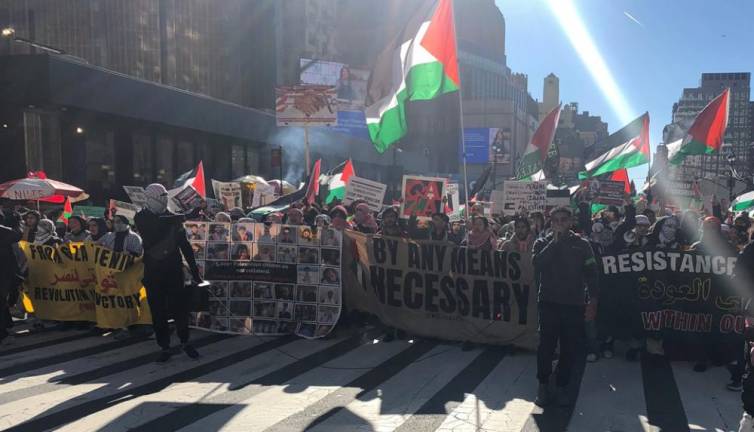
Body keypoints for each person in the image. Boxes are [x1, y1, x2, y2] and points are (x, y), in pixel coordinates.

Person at [532, 206, 599, 407]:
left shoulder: (583, 245)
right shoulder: (542, 243)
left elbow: (592, 274)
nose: (560, 223)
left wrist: (593, 301)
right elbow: (538, 264)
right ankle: (543, 384)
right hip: (548, 303)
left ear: (571, 222)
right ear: (551, 223)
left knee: (570, 348)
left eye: (564, 220)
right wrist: (555, 243)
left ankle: (562, 385)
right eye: (556, 220)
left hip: (573, 305)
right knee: (546, 347)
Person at [135, 183, 202, 363]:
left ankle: (185, 341)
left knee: (180, 309)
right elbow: (152, 234)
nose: (164, 200)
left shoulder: (172, 217)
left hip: (173, 270)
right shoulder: (141, 217)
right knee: (158, 312)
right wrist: (180, 218)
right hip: (153, 272)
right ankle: (164, 346)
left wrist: (195, 271)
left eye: (165, 197)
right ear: (151, 199)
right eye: (160, 197)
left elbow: (185, 246)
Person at [0, 211, 21, 343]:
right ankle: (6, 326)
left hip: (4, 273)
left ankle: (3, 332)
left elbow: (16, 255)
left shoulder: (8, 233)